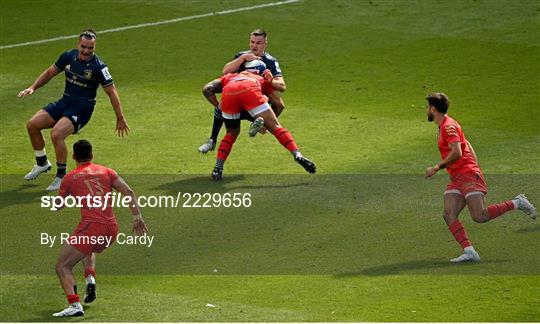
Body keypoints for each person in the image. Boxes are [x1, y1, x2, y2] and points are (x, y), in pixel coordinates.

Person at [424, 92, 536, 263]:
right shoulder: (446, 125)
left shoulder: (448, 127)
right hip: (458, 177)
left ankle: (517, 202)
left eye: (427, 108)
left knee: (479, 216)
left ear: (433, 109)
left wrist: (437, 167)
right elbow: (466, 143)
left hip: (468, 175)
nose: (426, 111)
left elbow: (457, 151)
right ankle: (470, 252)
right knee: (449, 213)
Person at [18, 29, 130, 191]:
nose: (86, 51)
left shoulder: (98, 67)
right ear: (78, 44)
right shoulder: (68, 56)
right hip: (65, 102)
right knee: (32, 125)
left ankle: (61, 176)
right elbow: (50, 72)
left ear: (94, 47)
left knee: (57, 134)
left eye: (90, 48)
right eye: (83, 47)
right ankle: (42, 163)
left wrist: (120, 117)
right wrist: (33, 87)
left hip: (82, 109)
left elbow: (111, 92)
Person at [52, 139, 147, 317]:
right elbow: (129, 192)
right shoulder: (107, 171)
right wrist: (137, 218)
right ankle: (90, 278)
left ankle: (74, 305)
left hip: (91, 227)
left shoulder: (70, 177)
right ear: (92, 155)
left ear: (73, 156)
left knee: (62, 266)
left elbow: (58, 205)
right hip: (111, 229)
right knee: (88, 248)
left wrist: (61, 196)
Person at [203, 60, 316, 180]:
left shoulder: (230, 76)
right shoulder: (262, 79)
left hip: (228, 95)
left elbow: (207, 89)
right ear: (259, 71)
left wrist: (219, 107)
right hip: (250, 92)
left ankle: (217, 168)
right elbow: (279, 104)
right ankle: (297, 155)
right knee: (276, 127)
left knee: (231, 133)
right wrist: (268, 124)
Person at [198, 28, 286, 153]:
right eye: (252, 42)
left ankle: (263, 124)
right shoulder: (242, 55)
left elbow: (282, 86)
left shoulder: (270, 61)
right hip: (236, 90)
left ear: (265, 44)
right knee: (209, 90)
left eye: (258, 43)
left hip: (257, 92)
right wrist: (243, 58)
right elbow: (225, 71)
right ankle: (213, 138)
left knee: (279, 105)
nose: (254, 45)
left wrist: (270, 81)